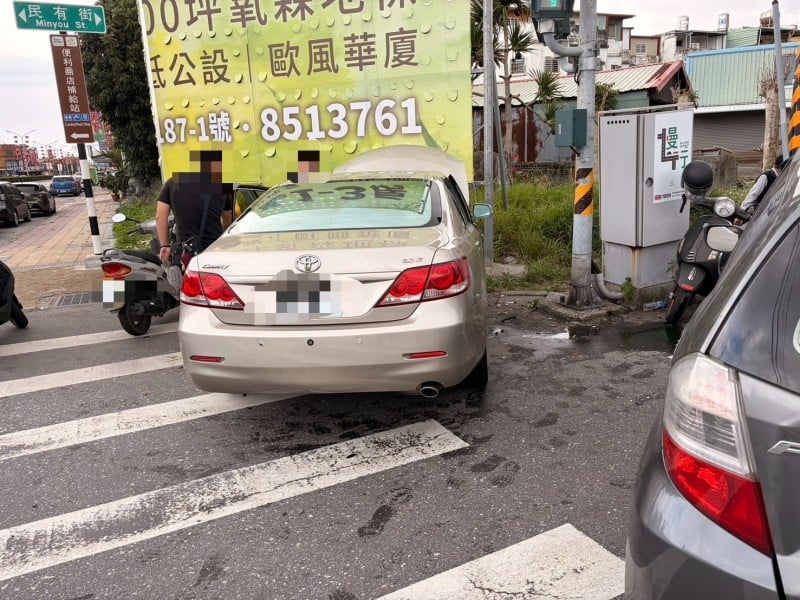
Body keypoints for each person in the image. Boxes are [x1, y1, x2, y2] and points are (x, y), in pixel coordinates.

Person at [156, 150, 233, 268]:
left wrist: (164, 246)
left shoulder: (172, 183)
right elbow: (227, 218)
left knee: (188, 283)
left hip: (186, 251)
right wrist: (223, 239)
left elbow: (160, 218)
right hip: (214, 249)